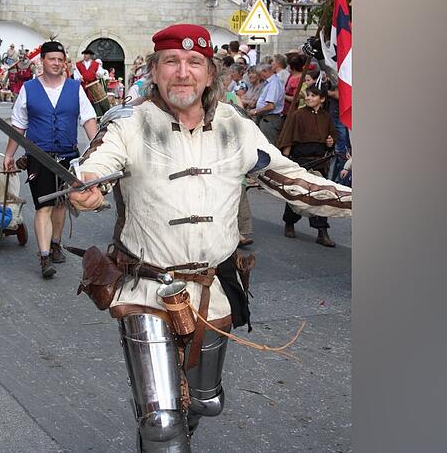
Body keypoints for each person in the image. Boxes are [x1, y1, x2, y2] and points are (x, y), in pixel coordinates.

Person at [67, 23, 351, 452]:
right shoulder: (129, 124)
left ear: (210, 73)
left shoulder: (236, 127)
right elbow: (96, 165)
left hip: (209, 288)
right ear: (155, 71)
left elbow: (291, 181)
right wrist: (86, 187)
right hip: (146, 286)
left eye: (194, 62)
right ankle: (160, 436)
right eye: (171, 62)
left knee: (206, 403)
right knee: (162, 422)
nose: (183, 72)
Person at [2, 41, 99, 279]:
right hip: (39, 157)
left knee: (60, 204)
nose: (57, 63)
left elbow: (88, 121)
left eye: (60, 60)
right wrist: (9, 154)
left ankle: (56, 243)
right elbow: (19, 124)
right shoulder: (28, 88)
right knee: (43, 206)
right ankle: (45, 256)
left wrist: (98, 152)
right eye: (52, 59)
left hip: (68, 156)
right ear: (42, 61)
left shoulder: (75, 88)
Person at [276, 85, 337, 247]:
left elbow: (331, 139)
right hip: (300, 161)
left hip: (319, 161)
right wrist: (286, 160)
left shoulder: (326, 117)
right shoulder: (298, 114)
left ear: (322, 99)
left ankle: (322, 232)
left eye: (313, 96)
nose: (309, 98)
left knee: (321, 196)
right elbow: (288, 137)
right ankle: (290, 222)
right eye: (308, 95)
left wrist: (330, 142)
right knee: (296, 194)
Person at [247, 63, 285, 144]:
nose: (260, 77)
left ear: (265, 71)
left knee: (268, 144)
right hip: (265, 118)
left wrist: (256, 111)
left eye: (259, 74)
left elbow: (270, 106)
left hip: (270, 119)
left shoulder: (274, 83)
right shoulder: (269, 83)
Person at [73, 48, 111, 116]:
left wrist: (99, 74)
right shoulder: (78, 64)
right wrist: (78, 78)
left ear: (90, 55)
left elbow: (101, 71)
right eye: (84, 54)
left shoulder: (96, 64)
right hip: (82, 85)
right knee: (82, 100)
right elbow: (76, 74)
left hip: (93, 85)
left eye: (86, 54)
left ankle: (95, 114)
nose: (85, 55)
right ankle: (82, 115)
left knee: (94, 101)